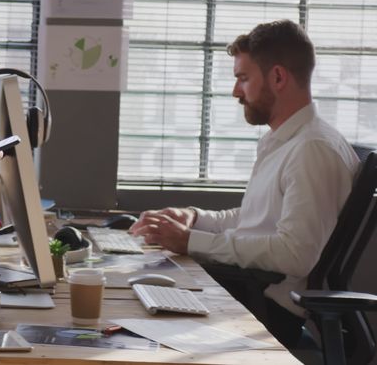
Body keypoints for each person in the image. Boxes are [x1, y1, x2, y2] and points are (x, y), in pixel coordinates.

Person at [130, 19, 360, 346]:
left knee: (138, 317)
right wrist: (194, 219)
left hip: (264, 310)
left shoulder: (312, 150)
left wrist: (192, 242)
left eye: (243, 78)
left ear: (278, 77)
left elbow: (295, 253)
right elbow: (254, 219)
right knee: (139, 290)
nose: (236, 91)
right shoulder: (285, 142)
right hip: (248, 292)